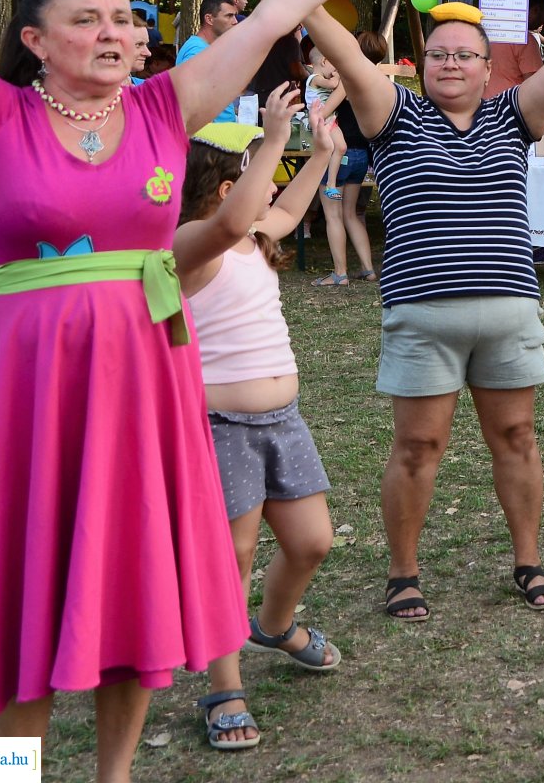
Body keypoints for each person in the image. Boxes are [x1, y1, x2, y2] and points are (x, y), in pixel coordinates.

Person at [0, 0, 432, 779]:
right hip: (22, 381)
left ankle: (115, 774)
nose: (116, 34)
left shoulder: (160, 108)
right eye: (88, 20)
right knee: (27, 589)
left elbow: (267, 22)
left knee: (127, 588)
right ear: (33, 41)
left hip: (140, 378)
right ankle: (5, 773)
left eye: (126, 18)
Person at [287, 0, 544, 621]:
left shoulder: (513, 115)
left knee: (517, 439)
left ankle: (529, 560)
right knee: (417, 447)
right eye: (439, 54)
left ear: (488, 69)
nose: (451, 63)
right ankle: (403, 572)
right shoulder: (394, 116)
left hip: (507, 312)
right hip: (422, 315)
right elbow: (350, 56)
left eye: (465, 55)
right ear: (421, 66)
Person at [175, 86, 344, 751]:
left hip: (284, 419)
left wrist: (320, 156)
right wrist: (273, 135)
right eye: (251, 167)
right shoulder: (191, 243)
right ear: (220, 186)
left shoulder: (249, 234)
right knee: (233, 555)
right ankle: (224, 686)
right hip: (222, 428)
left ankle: (271, 627)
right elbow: (224, 227)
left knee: (311, 542)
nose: (266, 177)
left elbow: (289, 208)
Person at [304, 33, 386, 285]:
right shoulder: (378, 81)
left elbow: (325, 112)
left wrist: (312, 118)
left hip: (341, 155)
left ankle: (340, 273)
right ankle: (368, 269)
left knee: (334, 216)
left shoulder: (349, 80)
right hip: (362, 154)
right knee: (351, 214)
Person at [178, 0, 243, 122]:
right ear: (209, 19)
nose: (235, 21)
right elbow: (187, 99)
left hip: (221, 134)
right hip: (211, 137)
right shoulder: (197, 50)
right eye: (229, 16)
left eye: (234, 16)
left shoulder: (206, 48)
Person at [486, 0, 544, 98]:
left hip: (483, 105)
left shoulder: (489, 33)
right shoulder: (527, 40)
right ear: (535, 10)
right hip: (509, 107)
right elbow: (534, 86)